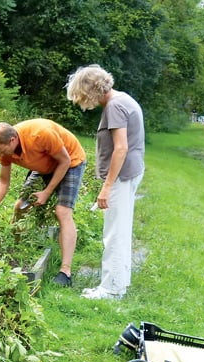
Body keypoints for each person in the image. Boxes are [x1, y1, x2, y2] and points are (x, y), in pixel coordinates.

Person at [66, 64, 145, 300]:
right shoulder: (121, 99)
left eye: (80, 95)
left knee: (114, 233)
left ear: (90, 90)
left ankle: (110, 290)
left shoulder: (114, 106)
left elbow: (121, 148)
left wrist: (107, 186)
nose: (81, 101)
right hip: (129, 173)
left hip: (121, 176)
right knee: (120, 230)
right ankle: (118, 283)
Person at [0, 119, 87, 287]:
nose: (0, 154)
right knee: (20, 206)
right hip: (44, 165)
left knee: (62, 211)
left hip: (70, 161)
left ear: (12, 140)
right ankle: (14, 249)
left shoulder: (40, 134)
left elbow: (64, 161)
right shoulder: (4, 148)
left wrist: (47, 192)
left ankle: (65, 272)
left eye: (1, 150)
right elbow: (3, 180)